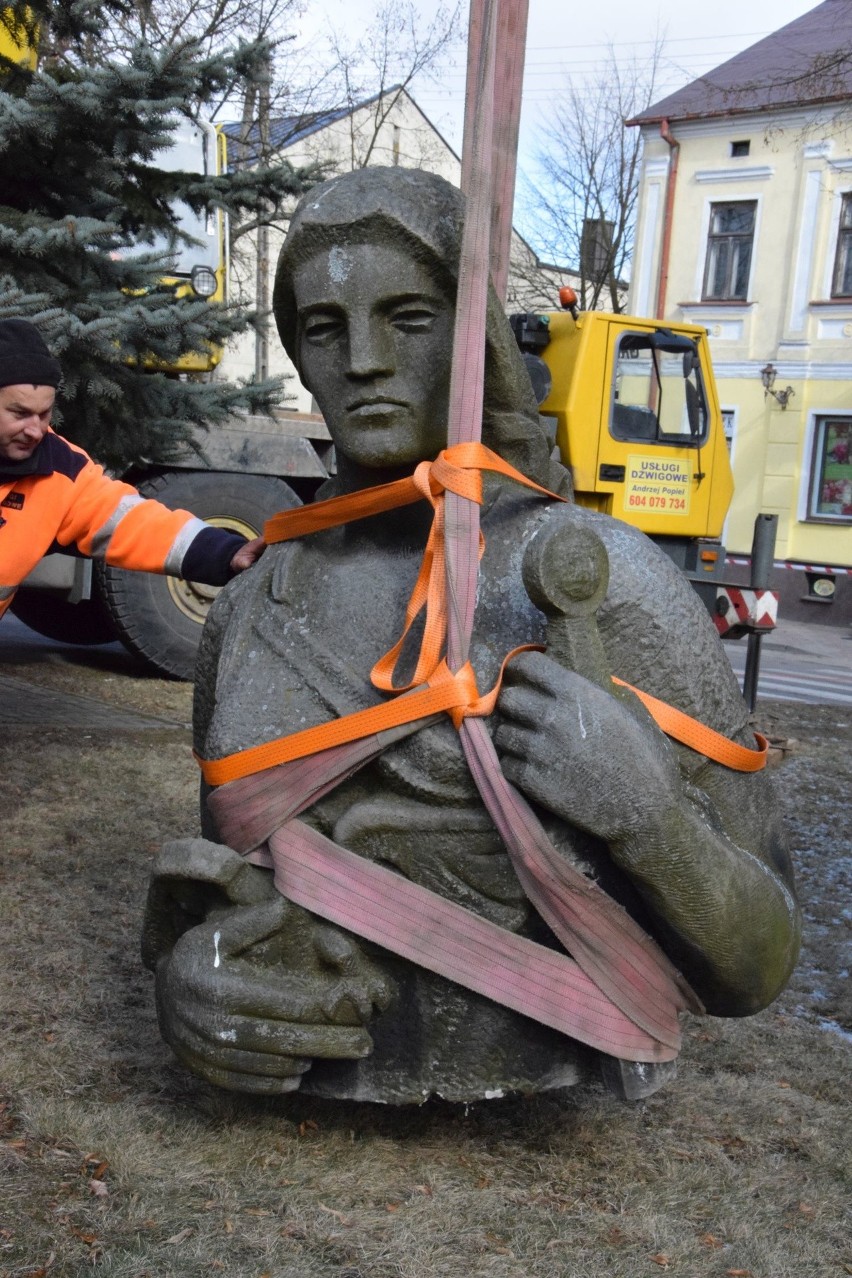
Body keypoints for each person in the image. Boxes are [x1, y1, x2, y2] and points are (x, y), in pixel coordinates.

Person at [143, 168, 801, 1104]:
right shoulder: (257, 610)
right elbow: (232, 888)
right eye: (324, 328)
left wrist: (648, 819)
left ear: (474, 338)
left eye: (408, 319)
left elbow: (758, 964)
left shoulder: (601, 584)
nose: (363, 360)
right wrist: (190, 976)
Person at [0, 318, 264, 622]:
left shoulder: (61, 473)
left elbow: (135, 524)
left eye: (44, 414)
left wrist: (227, 553)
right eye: (19, 413)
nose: (35, 430)